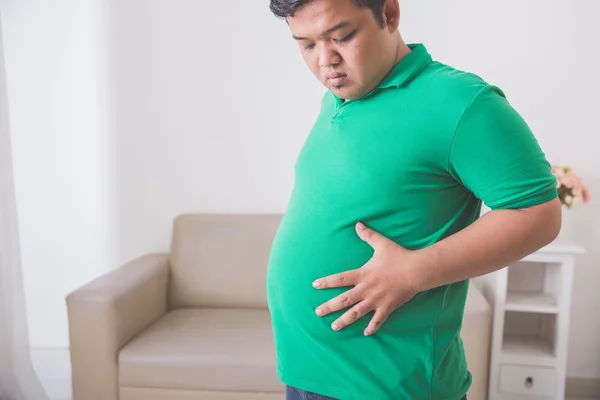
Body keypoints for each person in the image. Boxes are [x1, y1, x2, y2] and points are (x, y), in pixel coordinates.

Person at [265, 1, 562, 399]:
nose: (326, 61)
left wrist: (414, 271)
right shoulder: (339, 99)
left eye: (341, 37)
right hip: (309, 374)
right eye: (306, 45)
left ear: (389, 13)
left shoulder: (462, 102)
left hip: (388, 386)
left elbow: (538, 213)